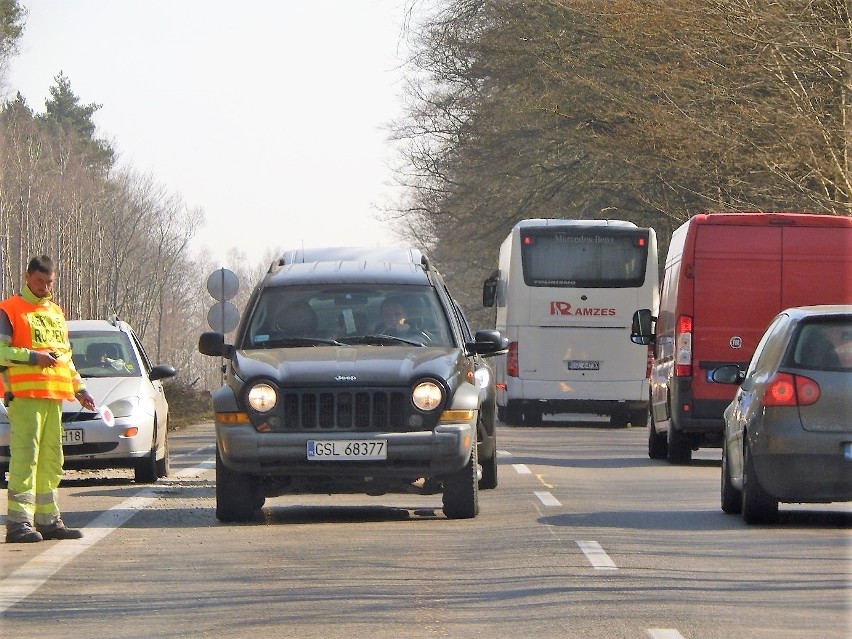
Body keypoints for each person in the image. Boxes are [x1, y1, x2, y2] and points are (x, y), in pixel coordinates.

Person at [0, 255, 95, 543]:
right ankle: (19, 524)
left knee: (52, 459)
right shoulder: (10, 309)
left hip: (53, 396)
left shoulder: (55, 312)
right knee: (26, 458)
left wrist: (80, 389)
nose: (43, 287)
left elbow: (65, 357)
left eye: (49, 282)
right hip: (25, 396)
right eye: (39, 281)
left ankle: (48, 520)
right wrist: (33, 357)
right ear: (27, 277)